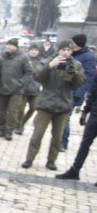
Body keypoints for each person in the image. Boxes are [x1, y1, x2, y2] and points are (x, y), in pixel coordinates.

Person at [21, 40, 85, 171]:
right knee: (37, 135)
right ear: (58, 50)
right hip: (46, 104)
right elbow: (37, 77)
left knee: (57, 138)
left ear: (71, 51)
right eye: (63, 50)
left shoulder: (76, 64)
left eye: (68, 50)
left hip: (63, 105)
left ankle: (51, 161)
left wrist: (74, 73)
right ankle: (29, 159)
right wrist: (50, 66)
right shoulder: (47, 61)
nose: (66, 52)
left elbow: (79, 84)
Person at [56, 75, 97, 184]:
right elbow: (92, 92)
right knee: (85, 143)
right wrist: (85, 111)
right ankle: (75, 170)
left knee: (85, 143)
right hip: (95, 114)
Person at [62, 33, 95, 150]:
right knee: (62, 116)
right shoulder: (71, 54)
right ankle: (60, 141)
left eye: (73, 41)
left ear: (77, 43)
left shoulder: (89, 57)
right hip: (63, 91)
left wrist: (78, 94)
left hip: (74, 94)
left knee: (65, 116)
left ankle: (63, 143)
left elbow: (89, 78)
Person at [0, 38, 33, 141]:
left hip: (16, 91)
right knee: (2, 111)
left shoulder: (23, 58)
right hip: (2, 88)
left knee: (13, 112)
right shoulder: (1, 57)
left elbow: (29, 73)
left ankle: (9, 131)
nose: (8, 47)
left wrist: (20, 83)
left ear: (16, 47)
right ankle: (1, 129)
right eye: (7, 45)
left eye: (11, 45)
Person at [15, 43, 45, 135]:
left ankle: (22, 123)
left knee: (33, 108)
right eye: (32, 49)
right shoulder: (24, 59)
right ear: (29, 50)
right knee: (21, 109)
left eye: (36, 50)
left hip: (35, 89)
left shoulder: (42, 62)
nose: (34, 52)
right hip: (24, 89)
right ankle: (19, 127)